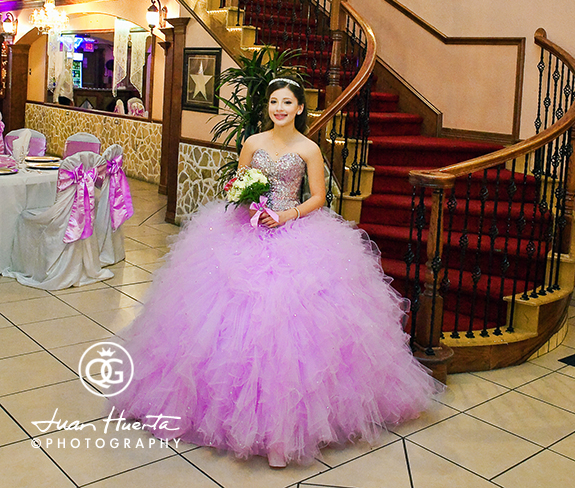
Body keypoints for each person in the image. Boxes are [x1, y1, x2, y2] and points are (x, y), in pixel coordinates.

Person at [116, 78, 439, 467]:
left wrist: (285, 214)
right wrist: (249, 204)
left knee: (290, 324)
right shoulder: (252, 143)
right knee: (221, 318)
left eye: (287, 102)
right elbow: (237, 185)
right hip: (247, 228)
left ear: (300, 108)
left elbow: (317, 196)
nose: (280, 108)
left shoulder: (310, 148)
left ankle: (287, 430)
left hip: (295, 228)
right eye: (274, 102)